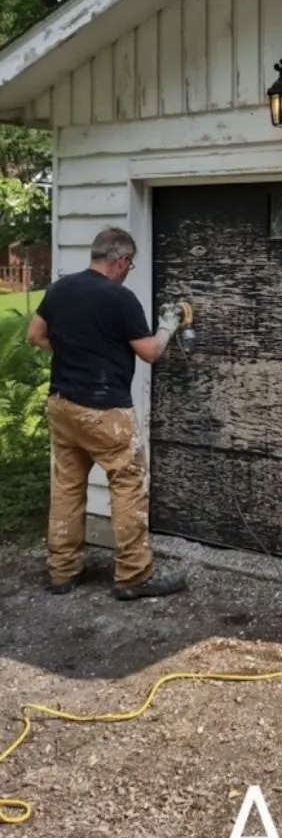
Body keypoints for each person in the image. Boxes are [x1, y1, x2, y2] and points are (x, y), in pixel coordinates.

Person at [25, 226, 188, 599]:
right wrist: (168, 326)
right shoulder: (120, 298)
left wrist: (73, 353)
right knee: (128, 485)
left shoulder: (60, 288)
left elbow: (35, 335)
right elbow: (149, 352)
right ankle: (133, 575)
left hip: (62, 404)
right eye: (130, 264)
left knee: (67, 487)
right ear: (123, 260)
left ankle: (62, 571)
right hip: (105, 412)